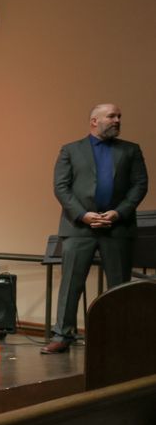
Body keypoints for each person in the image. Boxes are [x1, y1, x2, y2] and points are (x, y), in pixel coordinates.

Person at [42, 104, 148, 353]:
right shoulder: (70, 150)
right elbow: (61, 187)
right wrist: (83, 215)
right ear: (94, 121)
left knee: (119, 286)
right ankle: (62, 335)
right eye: (111, 116)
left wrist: (118, 213)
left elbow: (140, 185)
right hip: (79, 227)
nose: (117, 120)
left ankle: (119, 337)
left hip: (117, 227)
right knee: (71, 284)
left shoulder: (131, 150)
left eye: (119, 116)